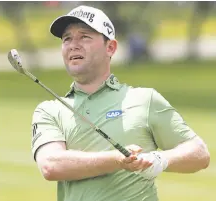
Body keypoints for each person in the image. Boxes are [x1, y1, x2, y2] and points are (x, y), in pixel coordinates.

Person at [31, 5, 210, 201]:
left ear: (110, 47)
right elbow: (51, 165)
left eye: (84, 36)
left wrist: (160, 160)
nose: (73, 44)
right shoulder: (49, 110)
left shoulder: (144, 100)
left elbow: (199, 153)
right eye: (67, 38)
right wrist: (117, 160)